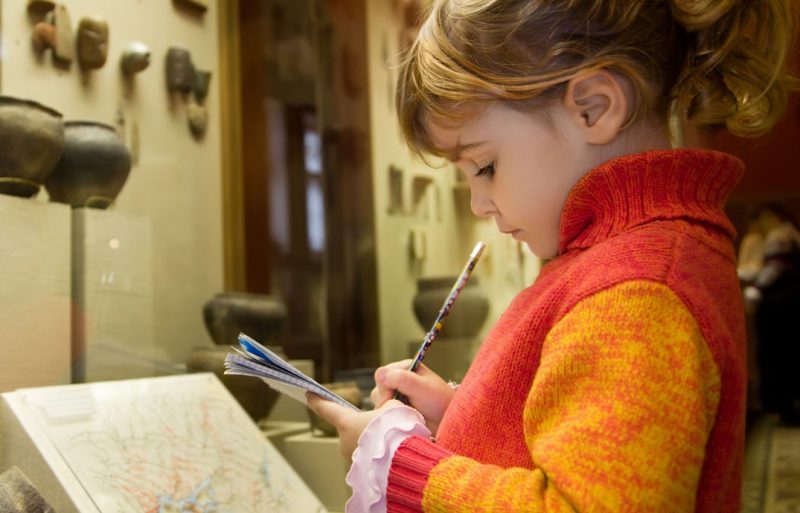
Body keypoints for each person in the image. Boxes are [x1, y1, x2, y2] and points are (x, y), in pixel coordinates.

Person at [306, 0, 797, 511]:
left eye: (485, 165)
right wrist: (460, 417)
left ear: (594, 107)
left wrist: (395, 465)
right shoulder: (620, 262)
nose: (478, 203)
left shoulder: (637, 293)